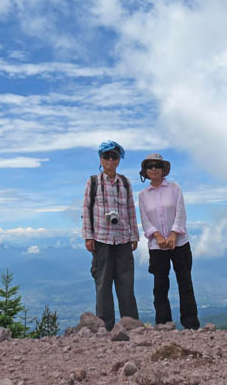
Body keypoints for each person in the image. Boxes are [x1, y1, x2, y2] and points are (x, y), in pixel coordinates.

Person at [82, 140, 139, 330]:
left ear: (118, 160)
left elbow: (131, 209)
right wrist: (88, 237)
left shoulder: (125, 182)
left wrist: (134, 235)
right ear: (101, 159)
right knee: (103, 283)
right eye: (106, 156)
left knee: (126, 283)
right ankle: (105, 327)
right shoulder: (93, 182)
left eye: (114, 156)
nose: (110, 160)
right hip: (101, 239)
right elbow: (86, 210)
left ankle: (130, 324)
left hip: (123, 239)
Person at [138, 153, 200, 330]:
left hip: (179, 243)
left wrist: (173, 234)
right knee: (160, 286)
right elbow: (145, 219)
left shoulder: (175, 188)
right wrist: (157, 236)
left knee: (185, 283)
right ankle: (164, 325)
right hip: (157, 246)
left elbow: (181, 212)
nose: (154, 169)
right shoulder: (143, 195)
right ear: (145, 171)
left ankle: (191, 324)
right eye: (150, 166)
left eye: (157, 165)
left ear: (163, 169)